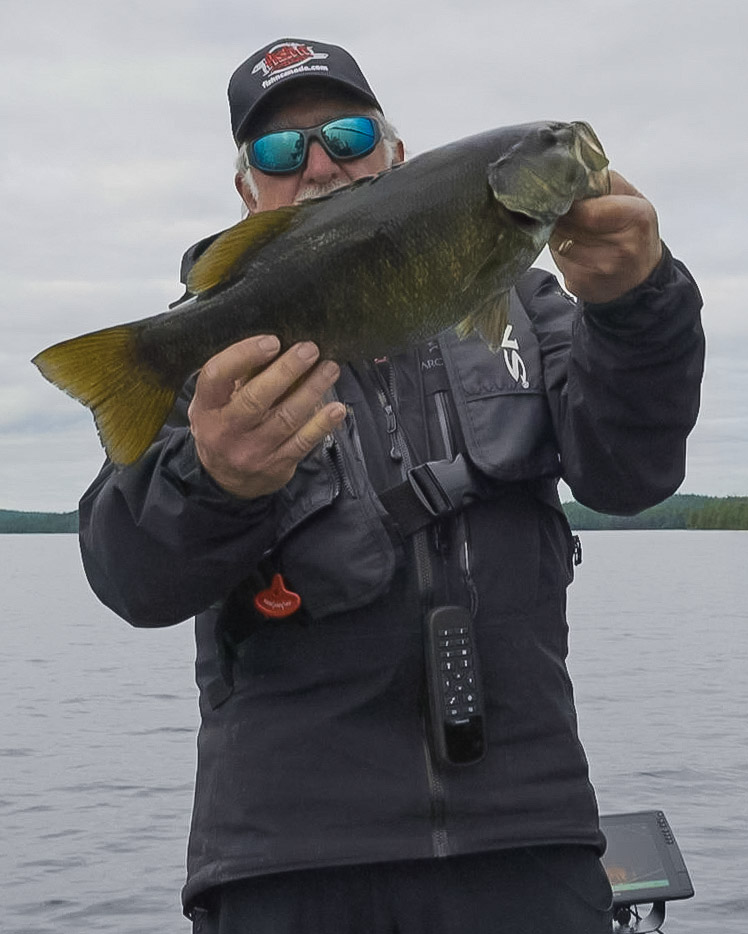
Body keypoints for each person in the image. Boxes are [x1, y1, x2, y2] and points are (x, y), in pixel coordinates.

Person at [78, 37, 705, 934]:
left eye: (347, 132)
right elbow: (128, 576)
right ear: (247, 193)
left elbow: (632, 473)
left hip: (526, 836)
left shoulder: (530, 305)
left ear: (397, 153)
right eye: (279, 151)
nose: (320, 163)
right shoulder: (206, 357)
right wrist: (212, 478)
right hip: (284, 859)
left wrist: (640, 306)